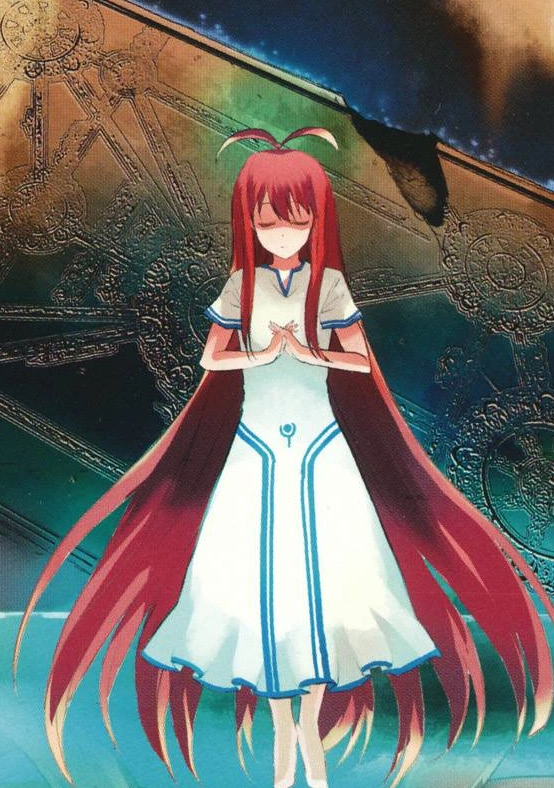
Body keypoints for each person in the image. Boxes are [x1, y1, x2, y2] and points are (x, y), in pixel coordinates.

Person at [14, 127, 554, 788]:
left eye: (295, 219)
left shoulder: (328, 286)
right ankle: (281, 761)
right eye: (268, 220)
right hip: (256, 448)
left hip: (322, 449)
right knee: (257, 596)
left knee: (325, 594)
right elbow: (214, 356)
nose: (281, 232)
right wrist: (261, 353)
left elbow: (357, 359)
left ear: (315, 220)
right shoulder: (242, 285)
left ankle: (313, 758)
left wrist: (308, 352)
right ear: (250, 222)